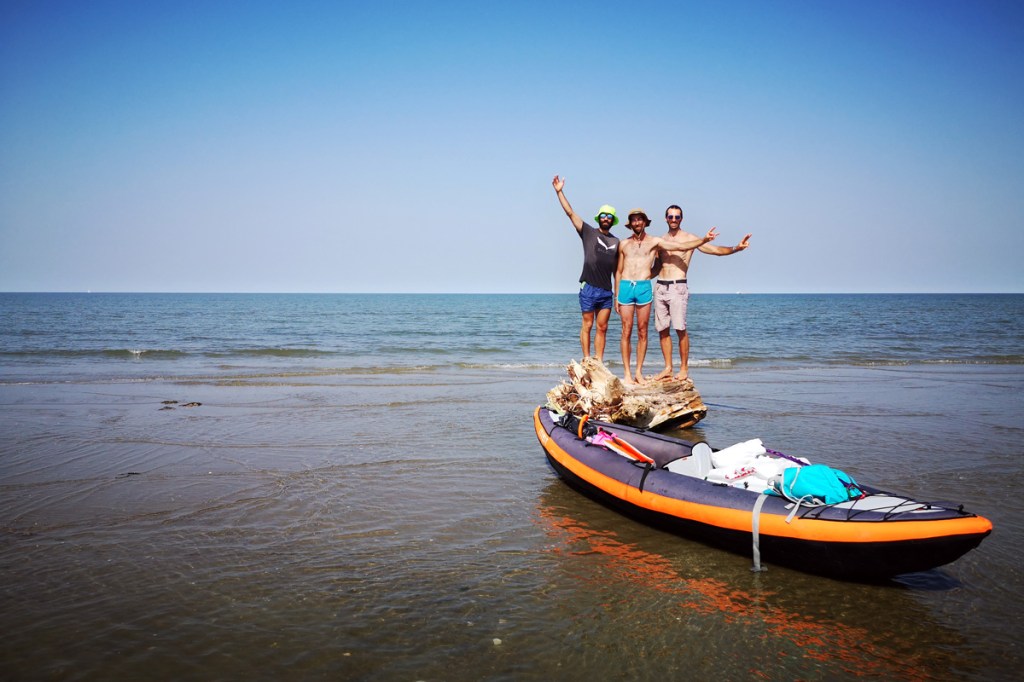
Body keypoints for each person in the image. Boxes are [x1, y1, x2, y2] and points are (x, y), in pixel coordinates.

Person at [615, 208, 717, 384]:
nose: (637, 222)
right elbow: (619, 270)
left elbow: (680, 246)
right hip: (628, 287)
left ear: (645, 222)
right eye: (634, 220)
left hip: (647, 287)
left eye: (640, 219)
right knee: (627, 330)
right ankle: (628, 374)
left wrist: (704, 240)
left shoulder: (656, 241)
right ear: (630, 223)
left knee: (643, 330)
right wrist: (616, 294)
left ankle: (639, 372)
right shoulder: (623, 244)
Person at [652, 205, 751, 381]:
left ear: (682, 219)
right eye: (670, 216)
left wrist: (737, 247)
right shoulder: (660, 240)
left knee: (680, 329)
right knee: (662, 330)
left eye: (677, 217)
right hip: (660, 287)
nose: (674, 220)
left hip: (678, 286)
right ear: (665, 218)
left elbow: (716, 251)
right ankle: (668, 368)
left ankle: (683, 369)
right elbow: (656, 266)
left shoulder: (692, 239)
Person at [552, 175, 620, 362]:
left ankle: (598, 360)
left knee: (603, 327)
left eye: (609, 216)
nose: (606, 218)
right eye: (603, 215)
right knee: (587, 324)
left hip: (606, 290)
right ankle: (587, 359)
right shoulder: (588, 232)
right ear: (599, 218)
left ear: (612, 220)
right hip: (589, 287)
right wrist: (559, 192)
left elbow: (618, 271)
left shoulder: (616, 241)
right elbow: (570, 213)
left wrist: (617, 295)